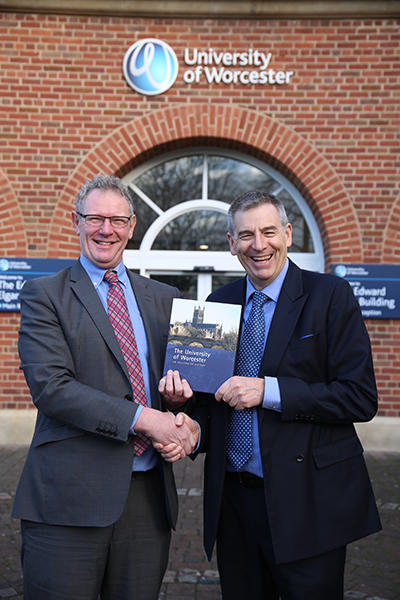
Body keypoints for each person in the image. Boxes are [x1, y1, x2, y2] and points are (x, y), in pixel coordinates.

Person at [160, 190, 382, 600]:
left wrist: (270, 391)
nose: (258, 245)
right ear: (231, 244)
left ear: (288, 233)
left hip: (308, 501)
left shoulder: (330, 296)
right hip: (235, 504)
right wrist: (187, 421)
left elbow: (359, 397)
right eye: (245, 235)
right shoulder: (218, 303)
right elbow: (212, 405)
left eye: (267, 232)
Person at [12, 174, 197, 600]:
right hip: (68, 500)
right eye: (95, 218)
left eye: (116, 220)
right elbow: (51, 387)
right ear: (75, 222)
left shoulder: (166, 297)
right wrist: (147, 418)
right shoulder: (45, 295)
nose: (105, 230)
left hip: (147, 500)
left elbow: (184, 383)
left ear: (132, 226)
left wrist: (180, 408)